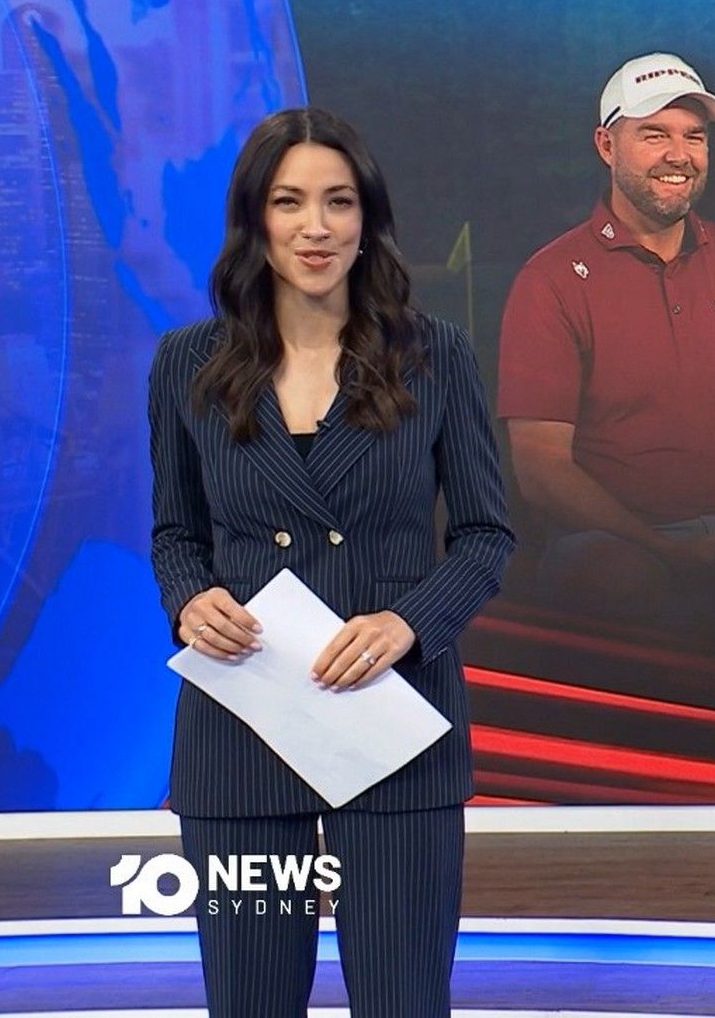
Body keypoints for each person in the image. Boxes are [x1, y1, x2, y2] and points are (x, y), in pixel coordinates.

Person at [148, 107, 514, 1016]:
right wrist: (191, 599)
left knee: (401, 999)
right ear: (255, 218)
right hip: (243, 727)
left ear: (367, 216)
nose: (316, 227)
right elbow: (175, 533)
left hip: (392, 723)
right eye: (289, 201)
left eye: (338, 201)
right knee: (251, 1000)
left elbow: (485, 535)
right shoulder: (187, 363)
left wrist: (408, 623)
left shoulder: (435, 356)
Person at [498, 53, 715, 629]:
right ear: (606, 146)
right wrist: (669, 552)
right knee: (618, 579)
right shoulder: (551, 279)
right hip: (619, 539)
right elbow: (540, 466)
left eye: (695, 136)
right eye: (654, 134)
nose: (679, 155)